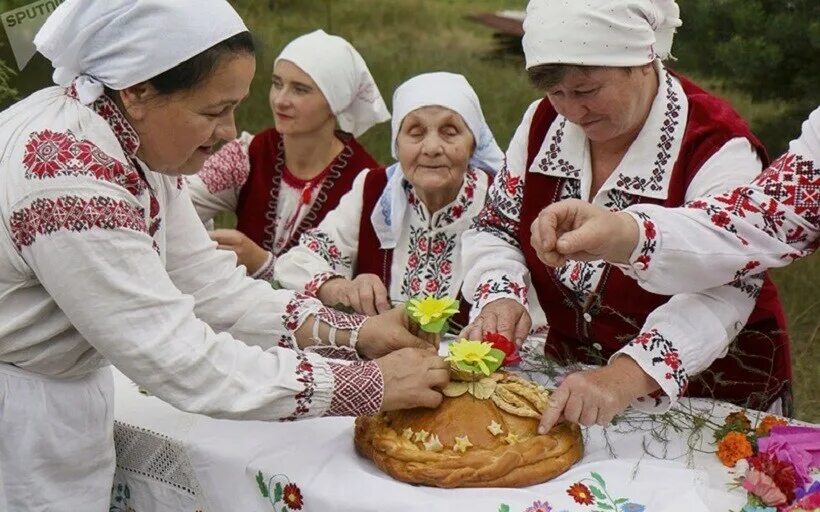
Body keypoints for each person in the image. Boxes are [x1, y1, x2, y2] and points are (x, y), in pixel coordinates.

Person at [0, 2, 445, 510]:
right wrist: (365, 384)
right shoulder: (68, 175)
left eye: (234, 107)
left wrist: (354, 334)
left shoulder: (125, 141)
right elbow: (179, 358)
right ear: (138, 90)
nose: (232, 131)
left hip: (54, 408)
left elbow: (211, 287)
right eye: (214, 111)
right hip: (18, 431)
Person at [461, 0, 793, 433]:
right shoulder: (544, 122)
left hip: (710, 394)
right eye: (556, 93)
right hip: (577, 383)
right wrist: (500, 294)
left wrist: (626, 377)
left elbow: (727, 287)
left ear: (641, 60)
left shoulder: (716, 146)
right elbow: (497, 226)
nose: (571, 112)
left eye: (586, 90)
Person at [275, 72, 502, 324]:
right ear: (397, 144)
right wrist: (342, 288)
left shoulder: (497, 202)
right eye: (415, 132)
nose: (431, 148)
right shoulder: (372, 189)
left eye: (449, 132)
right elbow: (298, 262)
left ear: (473, 144)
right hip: (380, 357)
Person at [530, 106, 819, 292]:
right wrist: (624, 233)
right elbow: (761, 221)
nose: (572, 110)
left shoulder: (715, 138)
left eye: (586, 92)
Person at [187, 29, 389, 282]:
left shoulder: (366, 184)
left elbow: (347, 286)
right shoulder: (250, 154)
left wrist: (262, 263)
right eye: (277, 83)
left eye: (300, 89)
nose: (280, 100)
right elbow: (180, 200)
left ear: (335, 101)